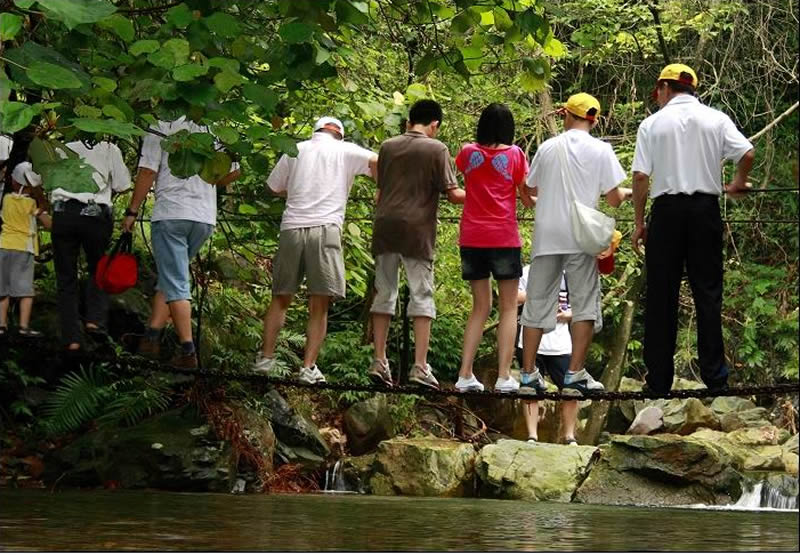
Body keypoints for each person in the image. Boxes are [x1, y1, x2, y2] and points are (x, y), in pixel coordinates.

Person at [631, 63, 755, 394]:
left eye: (657, 91)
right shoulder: (716, 119)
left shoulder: (652, 124)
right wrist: (738, 181)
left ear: (665, 88)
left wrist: (640, 222)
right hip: (705, 210)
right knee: (708, 293)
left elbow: (641, 176)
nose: (657, 97)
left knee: (661, 296)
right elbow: (747, 152)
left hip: (667, 213)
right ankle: (716, 380)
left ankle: (658, 382)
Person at [252, 117, 378, 384]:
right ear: (339, 134)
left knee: (281, 296)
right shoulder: (346, 150)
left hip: (291, 228)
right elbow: (380, 161)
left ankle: (265, 358)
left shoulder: (295, 148)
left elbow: (274, 187)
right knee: (319, 304)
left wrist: (299, 190)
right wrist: (381, 188)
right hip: (326, 228)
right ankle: (308, 369)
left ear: (315, 131)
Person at [519, 93, 629, 397]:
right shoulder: (602, 150)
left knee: (537, 301)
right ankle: (574, 374)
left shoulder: (548, 147)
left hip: (547, 234)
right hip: (582, 237)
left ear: (566, 114)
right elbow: (613, 198)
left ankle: (528, 376)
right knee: (583, 304)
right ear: (594, 119)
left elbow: (529, 188)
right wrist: (627, 193)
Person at [123, 117, 240, 369]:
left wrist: (132, 210)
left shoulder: (162, 125)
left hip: (171, 214)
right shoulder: (214, 127)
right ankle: (150, 339)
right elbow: (233, 171)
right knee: (170, 276)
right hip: (203, 218)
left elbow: (147, 171)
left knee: (176, 282)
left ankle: (188, 352)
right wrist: (207, 183)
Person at [368, 99, 465, 389]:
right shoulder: (437, 149)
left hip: (384, 225)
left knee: (384, 291)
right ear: (434, 124)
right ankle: (420, 367)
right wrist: (486, 196)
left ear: (410, 120)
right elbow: (452, 193)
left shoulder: (388, 146)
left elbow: (381, 189)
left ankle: (379, 360)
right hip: (417, 230)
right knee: (422, 294)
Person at [453, 103, 529, 394]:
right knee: (508, 307)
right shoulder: (515, 155)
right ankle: (503, 376)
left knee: (479, 307)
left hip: (472, 235)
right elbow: (525, 194)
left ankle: (464, 374)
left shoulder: (467, 151)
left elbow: (465, 183)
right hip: (503, 236)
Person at [52, 140, 130, 351]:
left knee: (66, 276)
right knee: (97, 268)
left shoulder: (61, 146)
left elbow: (38, 177)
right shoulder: (109, 148)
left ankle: (71, 338)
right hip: (95, 214)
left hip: (63, 212)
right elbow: (123, 184)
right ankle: (94, 320)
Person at [516, 265, 579, 444]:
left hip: (561, 344)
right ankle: (532, 435)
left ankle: (569, 436)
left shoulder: (570, 274)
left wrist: (568, 314)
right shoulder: (528, 271)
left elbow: (582, 305)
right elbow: (513, 297)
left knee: (571, 389)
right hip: (529, 341)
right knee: (530, 389)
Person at [0, 162, 51, 338]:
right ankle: (23, 326)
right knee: (25, 290)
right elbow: (47, 221)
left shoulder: (6, 199)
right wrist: (40, 197)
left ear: (13, 181)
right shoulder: (30, 204)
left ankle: (2, 325)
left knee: (3, 289)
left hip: (4, 245)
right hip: (23, 248)